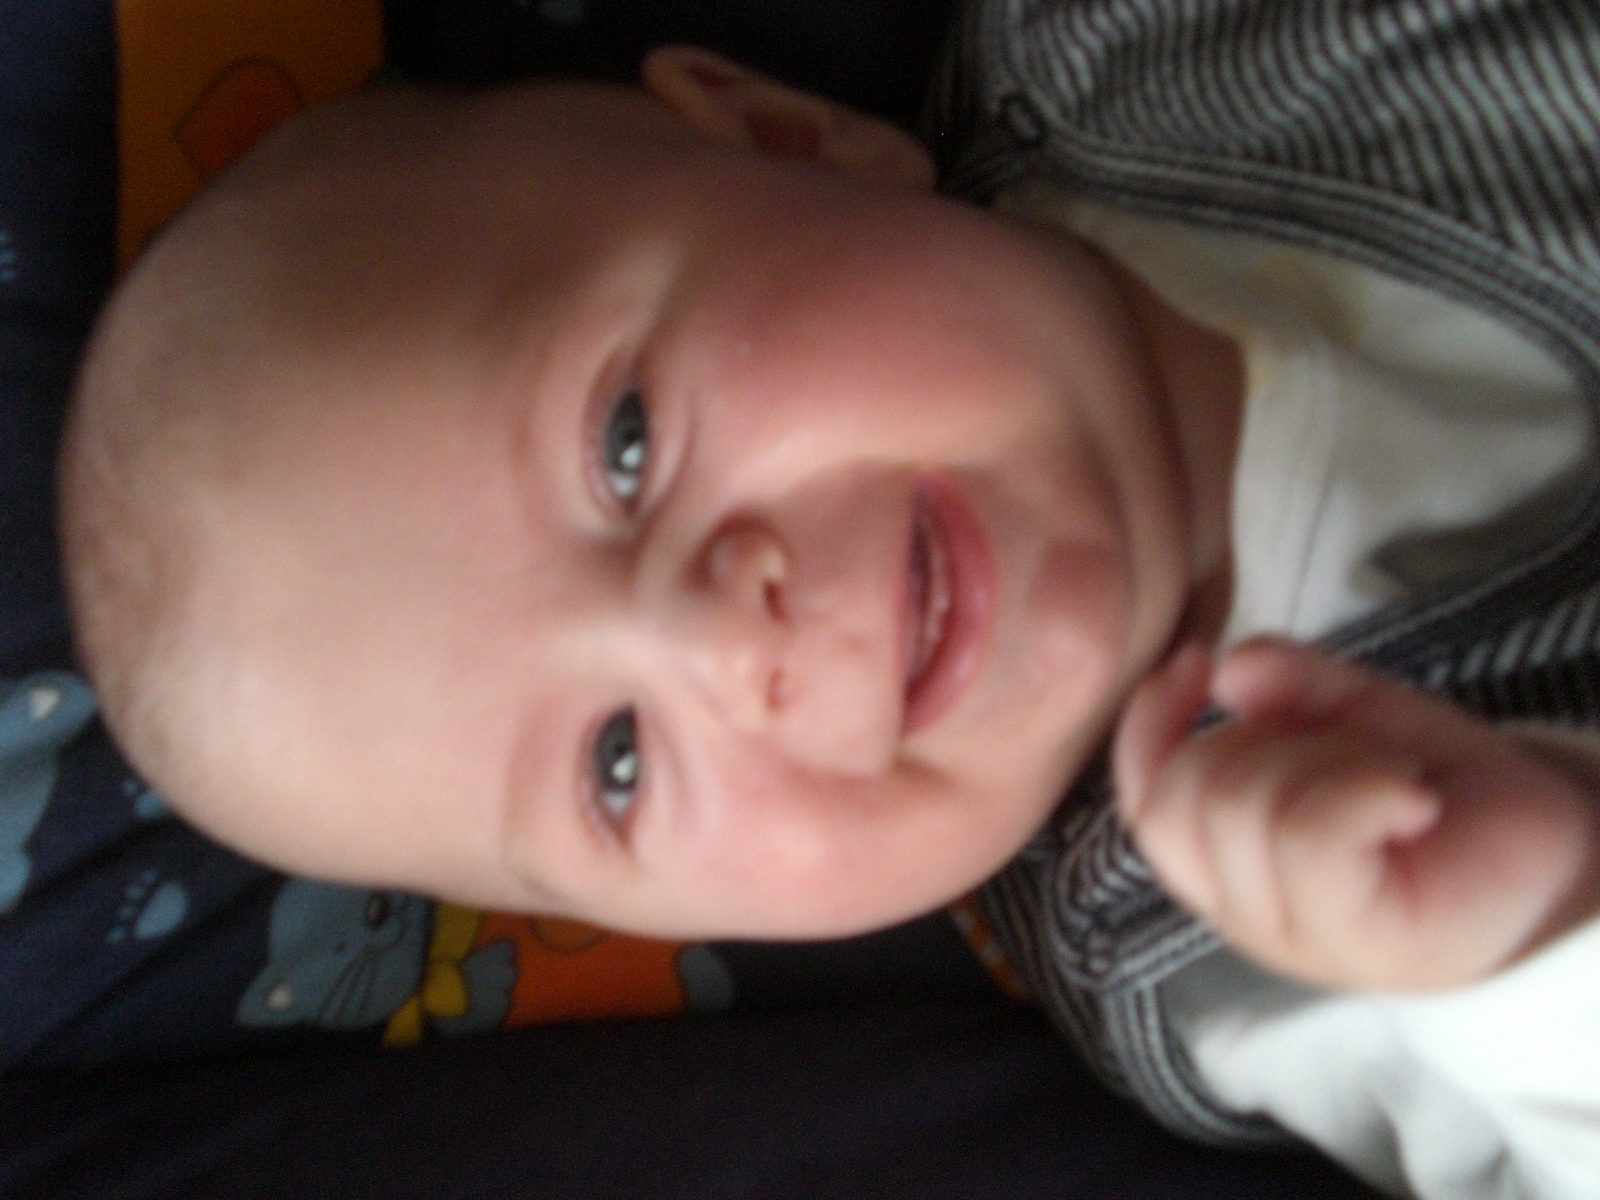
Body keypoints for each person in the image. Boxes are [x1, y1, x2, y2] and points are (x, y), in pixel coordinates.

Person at [49, 2, 1600, 1195]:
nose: (721, 638)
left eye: (627, 445)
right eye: (616, 764)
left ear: (790, 137)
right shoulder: (1220, 956)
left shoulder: (1152, 43)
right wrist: (1533, 936)